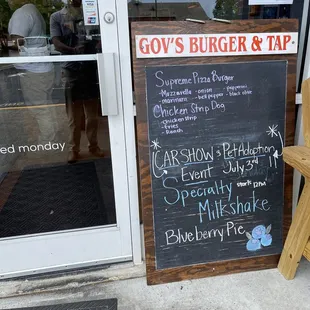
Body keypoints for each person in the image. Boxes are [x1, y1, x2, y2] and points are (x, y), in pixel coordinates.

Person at [50, 0, 104, 163]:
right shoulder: (57, 17)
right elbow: (56, 42)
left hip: (90, 69)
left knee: (92, 116)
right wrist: (73, 51)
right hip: (71, 70)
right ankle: (73, 149)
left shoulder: (92, 14)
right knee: (74, 116)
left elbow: (100, 38)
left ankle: (93, 146)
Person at [7, 0, 58, 145]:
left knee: (39, 109)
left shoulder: (22, 13)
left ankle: (47, 143)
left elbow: (16, 42)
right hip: (42, 69)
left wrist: (4, 46)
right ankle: (54, 138)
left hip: (32, 70)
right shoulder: (33, 10)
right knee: (46, 106)